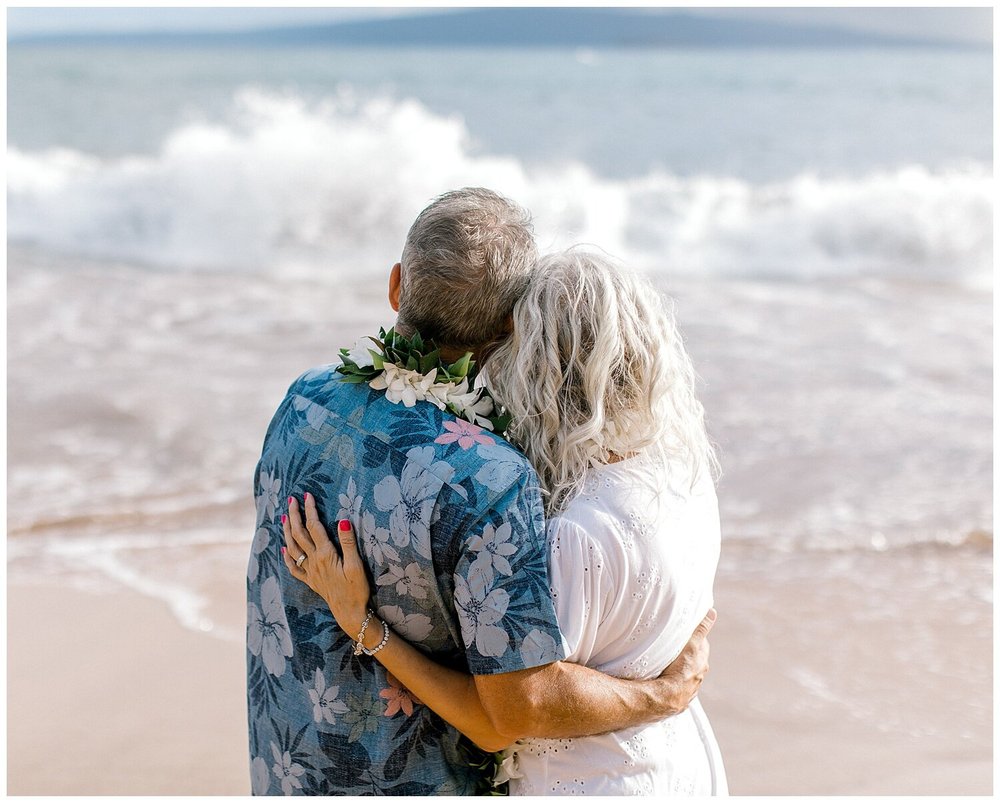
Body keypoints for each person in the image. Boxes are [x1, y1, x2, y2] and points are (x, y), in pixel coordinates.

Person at [247, 188, 714, 796]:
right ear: (511, 328)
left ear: (396, 286)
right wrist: (661, 695)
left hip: (288, 757)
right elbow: (516, 709)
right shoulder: (488, 478)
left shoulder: (303, 400)